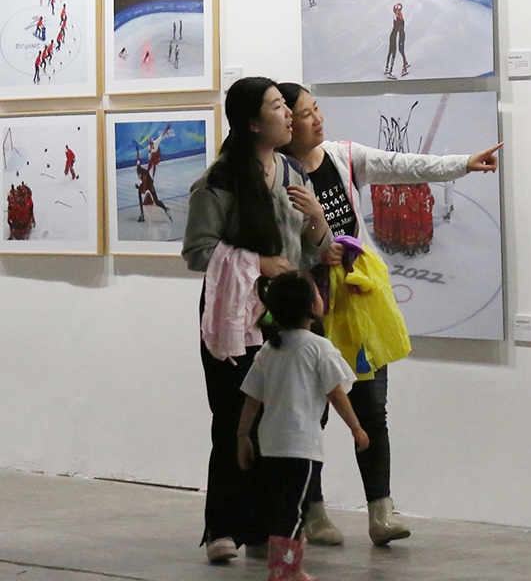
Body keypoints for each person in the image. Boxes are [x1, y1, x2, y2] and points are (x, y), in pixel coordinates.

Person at [276, 82, 501, 546]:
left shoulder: (341, 156)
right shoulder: (278, 176)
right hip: (309, 306)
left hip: (359, 300)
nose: (318, 118)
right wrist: (315, 251)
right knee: (312, 412)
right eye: (306, 113)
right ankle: (312, 511)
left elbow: (403, 166)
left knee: (372, 409)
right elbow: (281, 244)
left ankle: (381, 511)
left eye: (318, 109)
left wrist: (464, 163)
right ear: (286, 124)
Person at [182, 77, 331, 564]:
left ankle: (266, 526)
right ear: (251, 122)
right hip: (233, 316)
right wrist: (258, 264)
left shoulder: (292, 171)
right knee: (234, 419)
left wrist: (317, 221)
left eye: (287, 106)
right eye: (276, 106)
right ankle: (222, 526)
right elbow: (198, 250)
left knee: (277, 421)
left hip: (282, 317)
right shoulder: (221, 179)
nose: (288, 114)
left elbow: (312, 249)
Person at [237, 270, 365, 581]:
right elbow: (337, 393)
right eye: (317, 293)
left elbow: (252, 398)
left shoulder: (269, 349)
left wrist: (242, 435)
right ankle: (282, 570)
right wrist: (356, 428)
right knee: (295, 512)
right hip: (301, 447)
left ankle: (290, 569)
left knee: (285, 508)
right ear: (310, 306)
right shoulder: (319, 347)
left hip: (270, 446)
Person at [385, 3, 409, 78]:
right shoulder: (397, 17)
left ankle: (404, 65)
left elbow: (400, 28)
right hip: (394, 37)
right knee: (392, 52)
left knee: (400, 51)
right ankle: (389, 70)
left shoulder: (400, 16)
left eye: (399, 10)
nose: (398, 12)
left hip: (398, 36)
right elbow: (398, 28)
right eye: (396, 10)